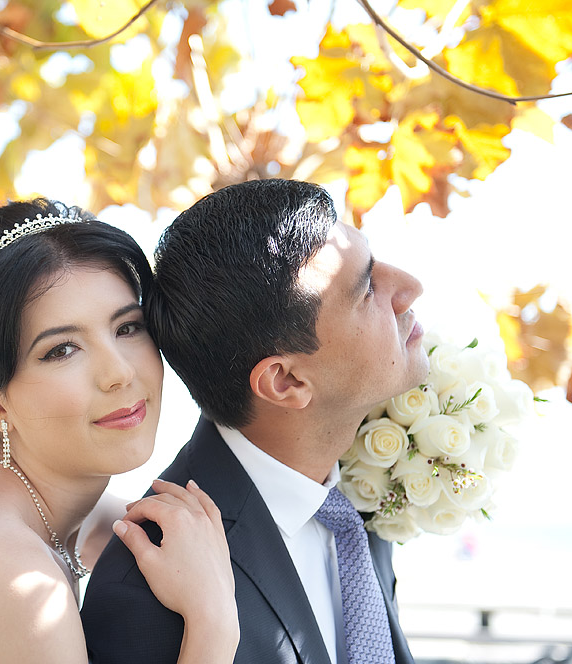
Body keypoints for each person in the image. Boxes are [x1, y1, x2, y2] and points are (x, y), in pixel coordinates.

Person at [82, 178, 427, 664]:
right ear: (284, 382)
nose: (411, 287)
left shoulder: (364, 484)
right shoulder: (144, 585)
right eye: (367, 288)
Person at [0, 199, 239, 663]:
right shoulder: (12, 578)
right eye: (62, 350)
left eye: (127, 327)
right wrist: (212, 621)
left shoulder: (34, 509)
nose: (118, 373)